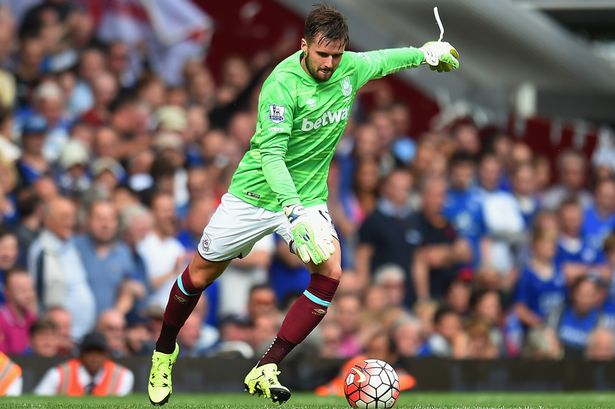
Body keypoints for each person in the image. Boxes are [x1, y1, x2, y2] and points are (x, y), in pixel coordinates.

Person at [146, 4, 459, 405]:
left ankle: (266, 365)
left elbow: (382, 60)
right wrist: (292, 213)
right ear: (304, 46)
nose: (330, 63)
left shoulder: (350, 67)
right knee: (200, 276)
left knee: (330, 271)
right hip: (256, 194)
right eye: (322, 54)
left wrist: (424, 53)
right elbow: (272, 156)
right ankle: (164, 352)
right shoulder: (281, 84)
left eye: (336, 55)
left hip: (307, 197)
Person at [34, 331, 134, 396]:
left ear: (106, 355)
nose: (94, 357)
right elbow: (38, 401)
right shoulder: (59, 374)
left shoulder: (122, 376)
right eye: (89, 352)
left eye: (99, 352)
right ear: (81, 354)